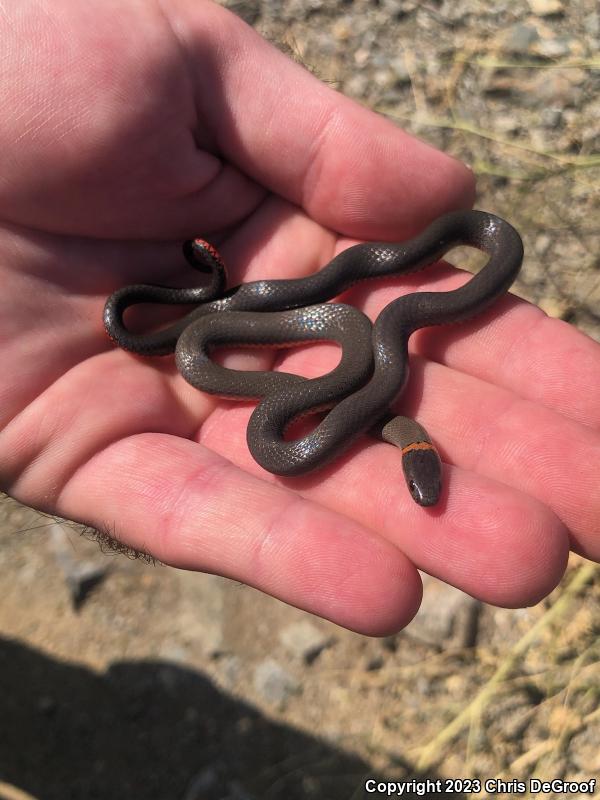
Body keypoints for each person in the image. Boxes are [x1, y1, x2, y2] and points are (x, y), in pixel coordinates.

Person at [1, 0, 597, 635]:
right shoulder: (371, 381)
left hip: (311, 360)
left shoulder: (364, 374)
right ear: (416, 453)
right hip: (282, 348)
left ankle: (200, 313)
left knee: (374, 327)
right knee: (347, 329)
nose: (426, 493)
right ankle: (199, 311)